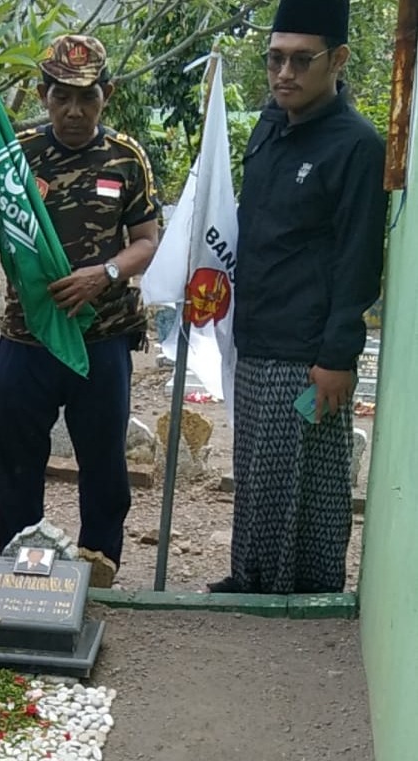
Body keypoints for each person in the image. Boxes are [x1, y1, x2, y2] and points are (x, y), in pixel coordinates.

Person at [0, 35, 160, 583]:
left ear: (106, 95)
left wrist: (102, 274)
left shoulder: (126, 158)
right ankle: (20, 572)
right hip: (26, 335)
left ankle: (97, 572)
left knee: (104, 467)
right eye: (62, 97)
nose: (75, 111)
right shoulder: (18, 152)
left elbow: (148, 240)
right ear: (44, 93)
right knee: (14, 466)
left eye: (88, 98)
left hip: (98, 339)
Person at [209, 0, 387, 595]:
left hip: (310, 352)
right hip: (256, 337)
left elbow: (359, 258)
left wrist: (339, 357)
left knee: (301, 485)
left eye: (300, 61)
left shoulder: (357, 146)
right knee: (257, 475)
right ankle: (250, 581)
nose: (284, 73)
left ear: (336, 60)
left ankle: (298, 598)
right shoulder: (268, 129)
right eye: (274, 59)